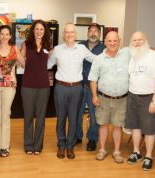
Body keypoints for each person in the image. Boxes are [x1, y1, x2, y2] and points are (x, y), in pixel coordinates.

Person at [48, 23, 95, 159]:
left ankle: (70, 146)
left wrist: (113, 54)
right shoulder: (57, 49)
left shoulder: (82, 49)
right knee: (61, 119)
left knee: (74, 119)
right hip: (60, 88)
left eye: (72, 32)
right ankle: (61, 145)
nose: (69, 34)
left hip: (76, 88)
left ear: (75, 34)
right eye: (67, 32)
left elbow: (96, 59)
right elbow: (48, 65)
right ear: (64, 34)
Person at [125, 32, 155, 171]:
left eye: (140, 40)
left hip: (149, 98)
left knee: (149, 130)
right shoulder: (132, 55)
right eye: (134, 40)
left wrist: (154, 101)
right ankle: (136, 152)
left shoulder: (154, 57)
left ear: (146, 41)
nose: (137, 42)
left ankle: (148, 156)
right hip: (132, 96)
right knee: (135, 127)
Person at [88, 31, 130, 164]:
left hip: (122, 99)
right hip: (103, 98)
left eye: (115, 41)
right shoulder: (98, 59)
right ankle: (102, 149)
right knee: (103, 125)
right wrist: (94, 95)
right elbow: (93, 79)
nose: (112, 43)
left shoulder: (126, 54)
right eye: (109, 41)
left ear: (119, 41)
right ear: (105, 42)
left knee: (118, 126)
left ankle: (117, 151)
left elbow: (141, 47)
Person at [0, 25, 25, 157]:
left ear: (10, 36)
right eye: (2, 34)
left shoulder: (15, 49)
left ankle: (5, 147)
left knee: (5, 116)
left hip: (9, 87)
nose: (4, 37)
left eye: (7, 34)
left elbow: (24, 63)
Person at [21, 20, 52, 155]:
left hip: (43, 86)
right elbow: (21, 61)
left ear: (44, 32)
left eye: (41, 29)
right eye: (37, 29)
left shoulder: (48, 46)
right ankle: (28, 144)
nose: (39, 32)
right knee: (28, 117)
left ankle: (38, 145)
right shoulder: (26, 44)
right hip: (28, 85)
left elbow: (50, 64)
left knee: (40, 118)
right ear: (33, 30)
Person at [76, 23, 105, 151]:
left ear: (99, 34)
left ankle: (92, 139)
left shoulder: (104, 48)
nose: (93, 33)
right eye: (91, 31)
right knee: (77, 113)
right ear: (87, 33)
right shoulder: (79, 46)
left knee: (94, 115)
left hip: (95, 88)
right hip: (78, 85)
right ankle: (77, 136)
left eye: (96, 31)